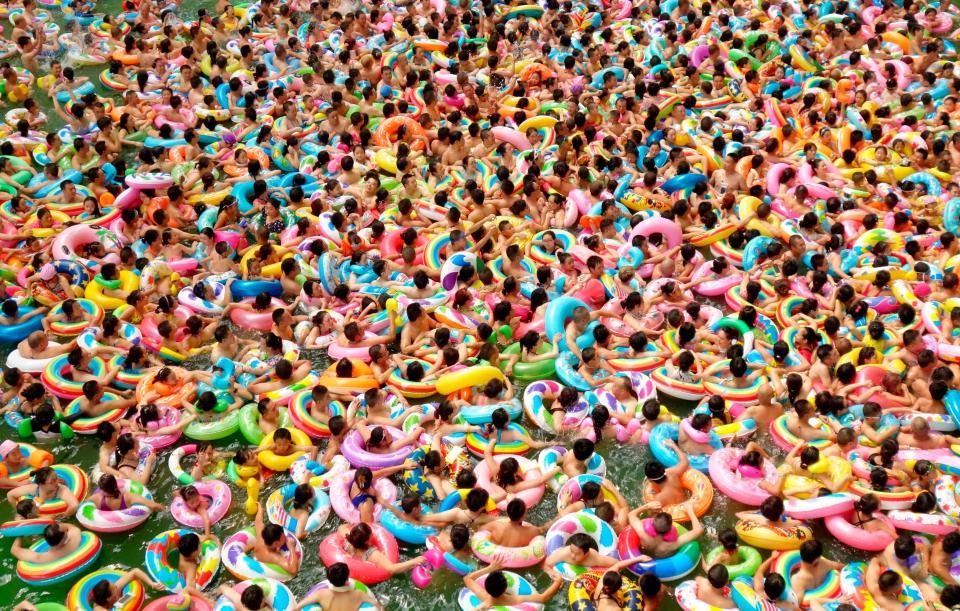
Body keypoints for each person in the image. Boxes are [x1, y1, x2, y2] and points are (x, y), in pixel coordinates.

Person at [294, 562, 384, 610]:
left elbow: (298, 607)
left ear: (329, 580)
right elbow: (379, 606)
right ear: (347, 579)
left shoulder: (321, 594)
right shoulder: (358, 594)